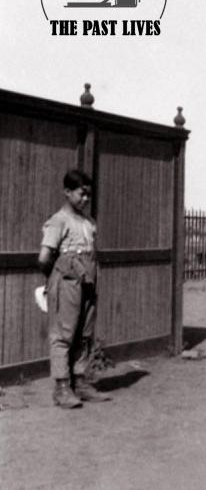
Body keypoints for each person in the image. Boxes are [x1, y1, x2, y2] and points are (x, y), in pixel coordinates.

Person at [37, 170, 110, 408]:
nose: (86, 199)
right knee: (63, 335)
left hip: (88, 280)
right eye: (82, 194)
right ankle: (61, 387)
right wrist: (57, 278)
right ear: (67, 192)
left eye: (89, 194)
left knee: (85, 334)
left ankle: (80, 382)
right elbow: (44, 257)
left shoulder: (89, 222)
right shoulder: (59, 220)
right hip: (67, 281)